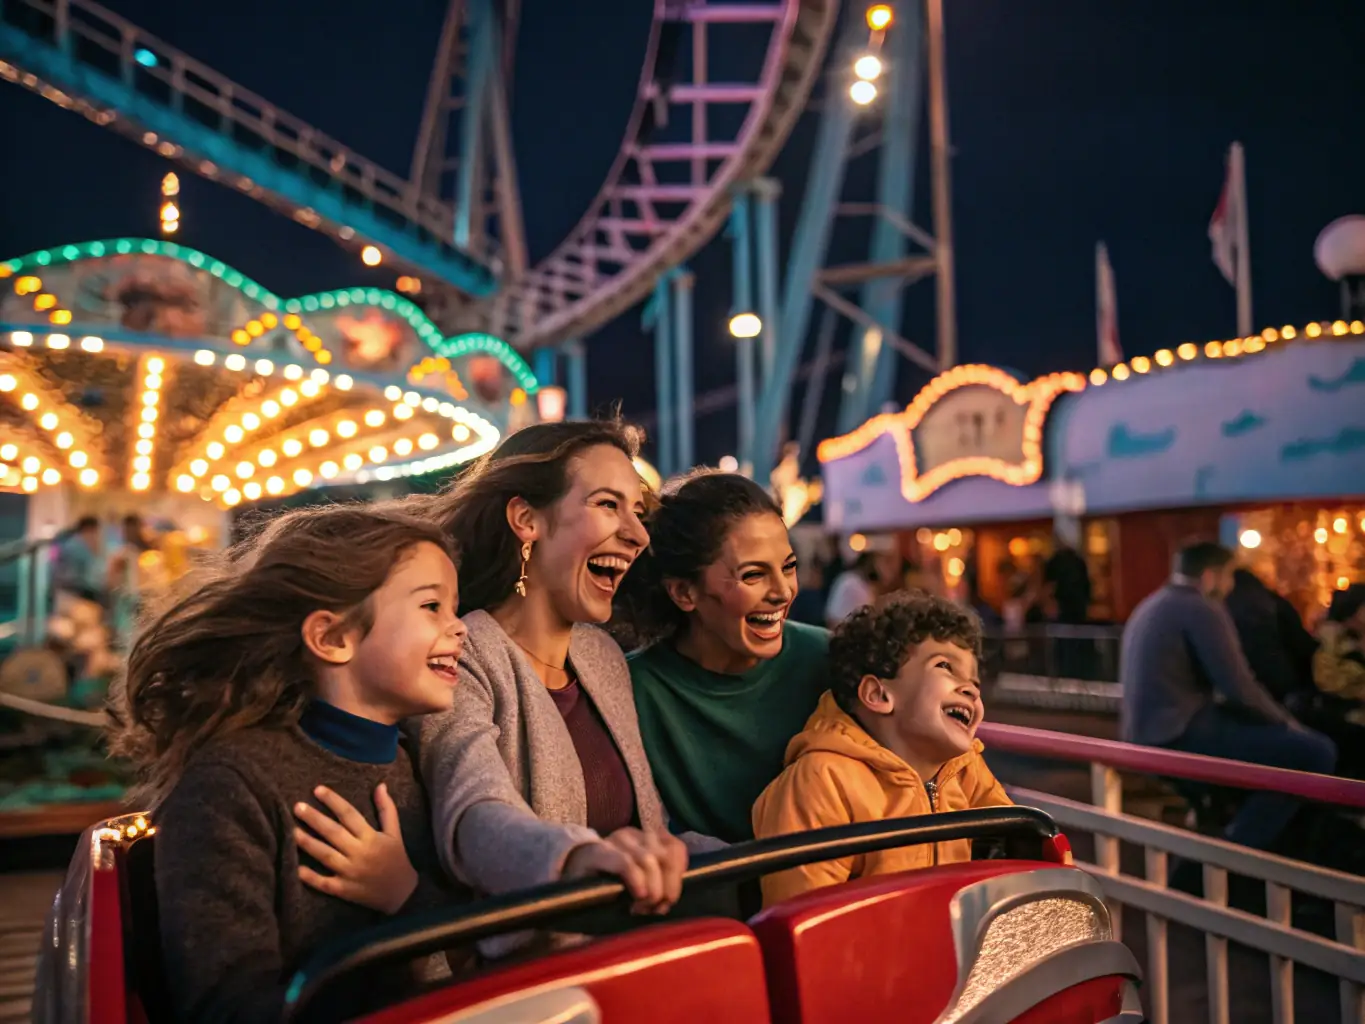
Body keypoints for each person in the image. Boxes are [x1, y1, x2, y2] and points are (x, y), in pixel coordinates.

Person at [107, 505, 467, 1022]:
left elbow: (466, 946)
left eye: (455, 608)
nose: (461, 629)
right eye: (432, 606)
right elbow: (226, 1004)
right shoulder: (231, 784)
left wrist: (404, 891)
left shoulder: (416, 766)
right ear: (332, 637)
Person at [415, 421, 709, 956]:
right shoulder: (461, 652)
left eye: (637, 512)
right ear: (527, 520)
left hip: (635, 959)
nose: (639, 535)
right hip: (535, 988)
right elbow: (474, 812)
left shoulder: (602, 658)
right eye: (606, 505)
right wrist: (573, 859)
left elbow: (649, 832)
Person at [752, 591, 1011, 906]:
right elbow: (803, 916)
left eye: (975, 683)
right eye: (945, 666)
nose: (970, 689)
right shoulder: (822, 780)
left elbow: (1021, 850)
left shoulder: (966, 770)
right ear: (878, 695)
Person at [619, 471, 829, 843]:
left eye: (789, 567)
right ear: (685, 593)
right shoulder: (629, 691)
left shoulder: (829, 659)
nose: (782, 592)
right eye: (753, 575)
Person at [1119, 541, 1336, 853]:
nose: (1231, 586)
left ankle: (1231, 835)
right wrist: (1287, 723)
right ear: (1211, 576)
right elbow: (1240, 687)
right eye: (1229, 576)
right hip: (1179, 733)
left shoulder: (1153, 604)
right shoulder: (1202, 607)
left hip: (1144, 733)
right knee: (1315, 752)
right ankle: (1239, 849)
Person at [824, 540, 899, 626]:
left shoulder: (870, 587)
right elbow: (834, 622)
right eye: (886, 562)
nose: (892, 568)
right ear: (870, 560)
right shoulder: (850, 584)